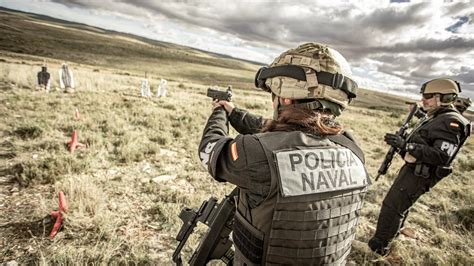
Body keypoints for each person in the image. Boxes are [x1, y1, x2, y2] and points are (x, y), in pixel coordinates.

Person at [199, 43, 371, 265]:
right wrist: (234, 112)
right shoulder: (352, 149)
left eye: (274, 93)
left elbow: (210, 148)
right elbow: (281, 134)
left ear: (286, 97)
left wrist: (219, 113)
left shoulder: (259, 154)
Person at [368, 78, 471, 256]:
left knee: (392, 206)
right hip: (416, 168)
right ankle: (391, 236)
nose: (423, 100)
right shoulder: (438, 116)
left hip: (423, 173)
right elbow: (427, 136)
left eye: (428, 97)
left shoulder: (451, 122)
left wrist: (407, 146)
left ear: (443, 98)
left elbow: (441, 156)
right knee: (400, 205)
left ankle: (378, 248)